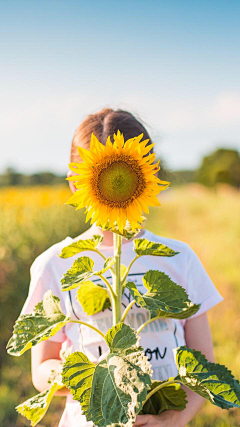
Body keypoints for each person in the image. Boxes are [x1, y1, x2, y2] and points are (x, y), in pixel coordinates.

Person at [21, 108, 223, 427]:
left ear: (149, 174)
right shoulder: (55, 264)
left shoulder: (179, 258)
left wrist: (173, 419)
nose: (117, 182)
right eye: (102, 173)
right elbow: (41, 369)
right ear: (77, 182)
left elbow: (204, 368)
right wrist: (87, 375)